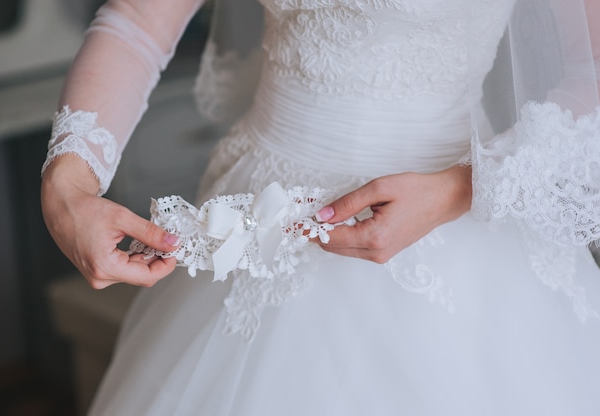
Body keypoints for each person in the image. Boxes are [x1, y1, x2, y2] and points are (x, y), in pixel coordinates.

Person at [41, 0, 600, 414]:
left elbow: (590, 67)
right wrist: (68, 186)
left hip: (455, 212)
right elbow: (139, 18)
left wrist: (464, 186)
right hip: (255, 214)